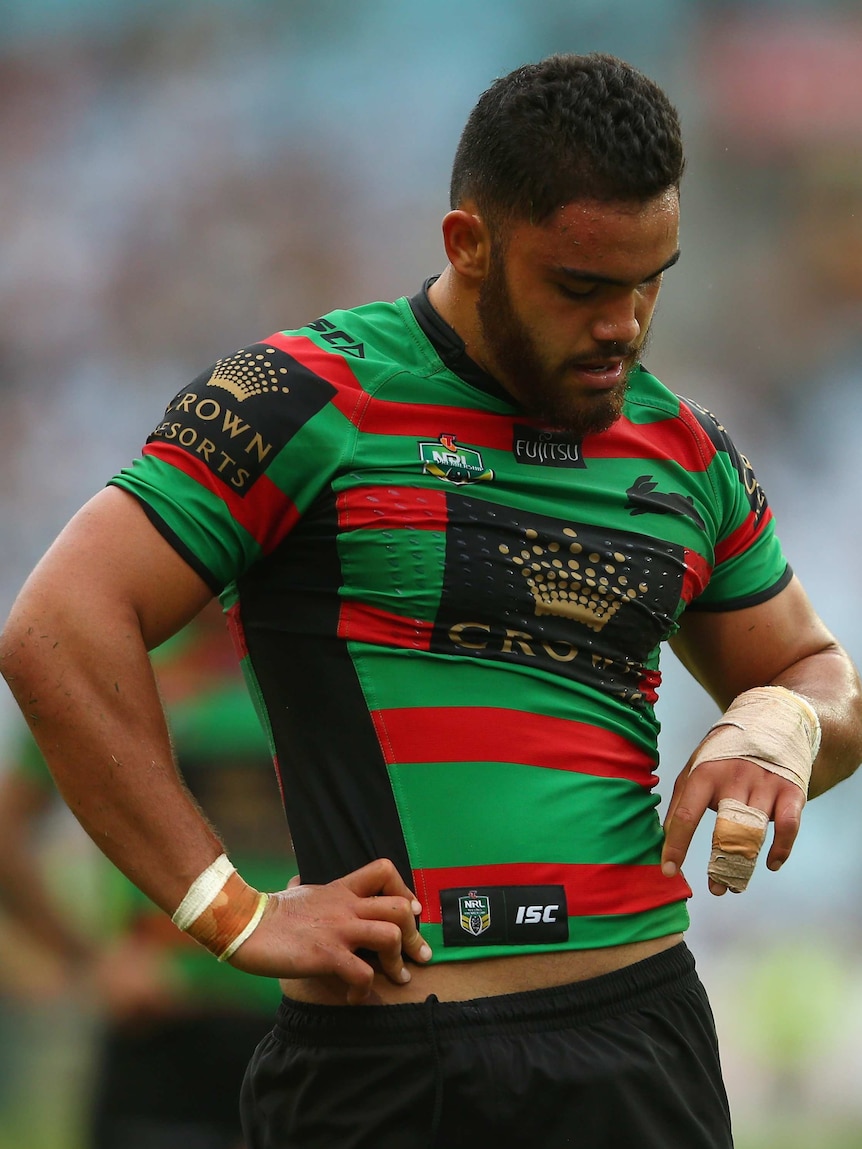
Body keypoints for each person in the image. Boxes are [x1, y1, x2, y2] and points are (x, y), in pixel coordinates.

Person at [1, 52, 861, 1149]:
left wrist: (784, 725)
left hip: (639, 1042)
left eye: (652, 280)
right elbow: (57, 631)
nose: (625, 326)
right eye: (581, 287)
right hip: (389, 1069)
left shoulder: (687, 450)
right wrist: (226, 908)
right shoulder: (307, 394)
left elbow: (816, 674)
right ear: (469, 244)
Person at [0, 604, 295, 1149]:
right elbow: (9, 826)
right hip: (163, 1023)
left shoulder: (325, 665)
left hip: (307, 1019)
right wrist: (87, 959)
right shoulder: (115, 668)